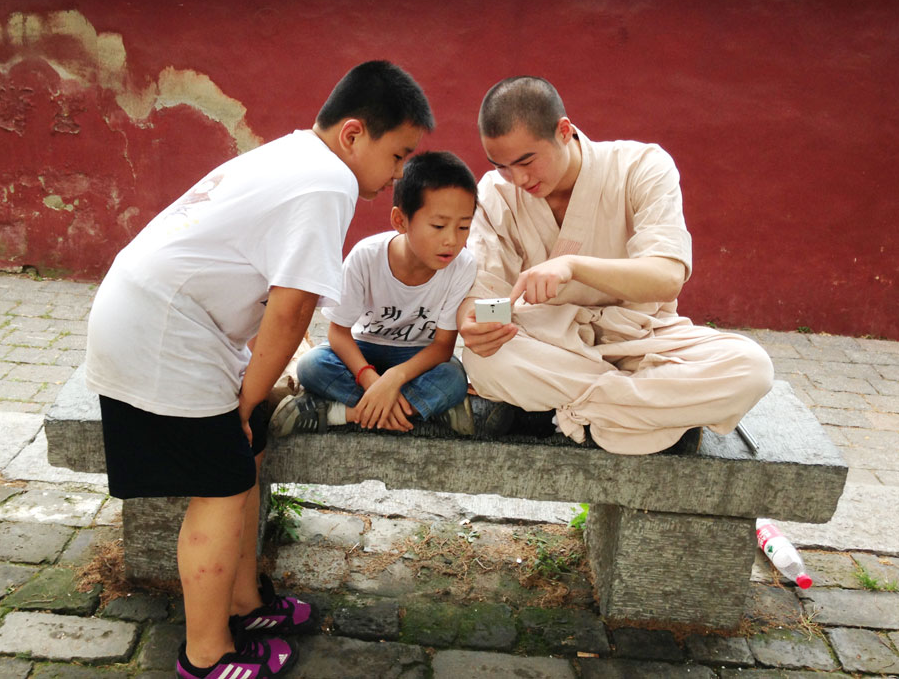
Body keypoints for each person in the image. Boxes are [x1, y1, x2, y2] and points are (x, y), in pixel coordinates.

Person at [84, 60, 434, 678]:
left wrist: (249, 400)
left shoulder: (301, 155)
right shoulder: (329, 182)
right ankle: (205, 655)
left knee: (246, 455)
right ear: (354, 134)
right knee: (220, 485)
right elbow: (292, 306)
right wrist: (245, 399)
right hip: (164, 334)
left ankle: (243, 604)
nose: (401, 173)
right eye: (399, 154)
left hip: (165, 321)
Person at [458, 76, 774, 454]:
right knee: (484, 360)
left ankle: (571, 412)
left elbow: (667, 277)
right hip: (551, 342)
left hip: (645, 337)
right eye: (502, 166)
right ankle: (652, 417)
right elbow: (492, 296)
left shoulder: (642, 166)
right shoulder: (495, 192)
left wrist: (574, 266)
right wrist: (474, 321)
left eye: (527, 161)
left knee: (751, 368)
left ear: (563, 131)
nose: (518, 178)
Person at [270, 150, 478, 436]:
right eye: (438, 226)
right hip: (363, 350)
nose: (451, 240)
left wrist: (394, 378)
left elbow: (442, 346)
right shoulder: (366, 257)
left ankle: (340, 413)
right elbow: (338, 333)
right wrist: (371, 381)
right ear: (401, 220)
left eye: (464, 226)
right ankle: (413, 410)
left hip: (417, 358)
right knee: (312, 365)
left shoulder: (463, 266)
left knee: (453, 376)